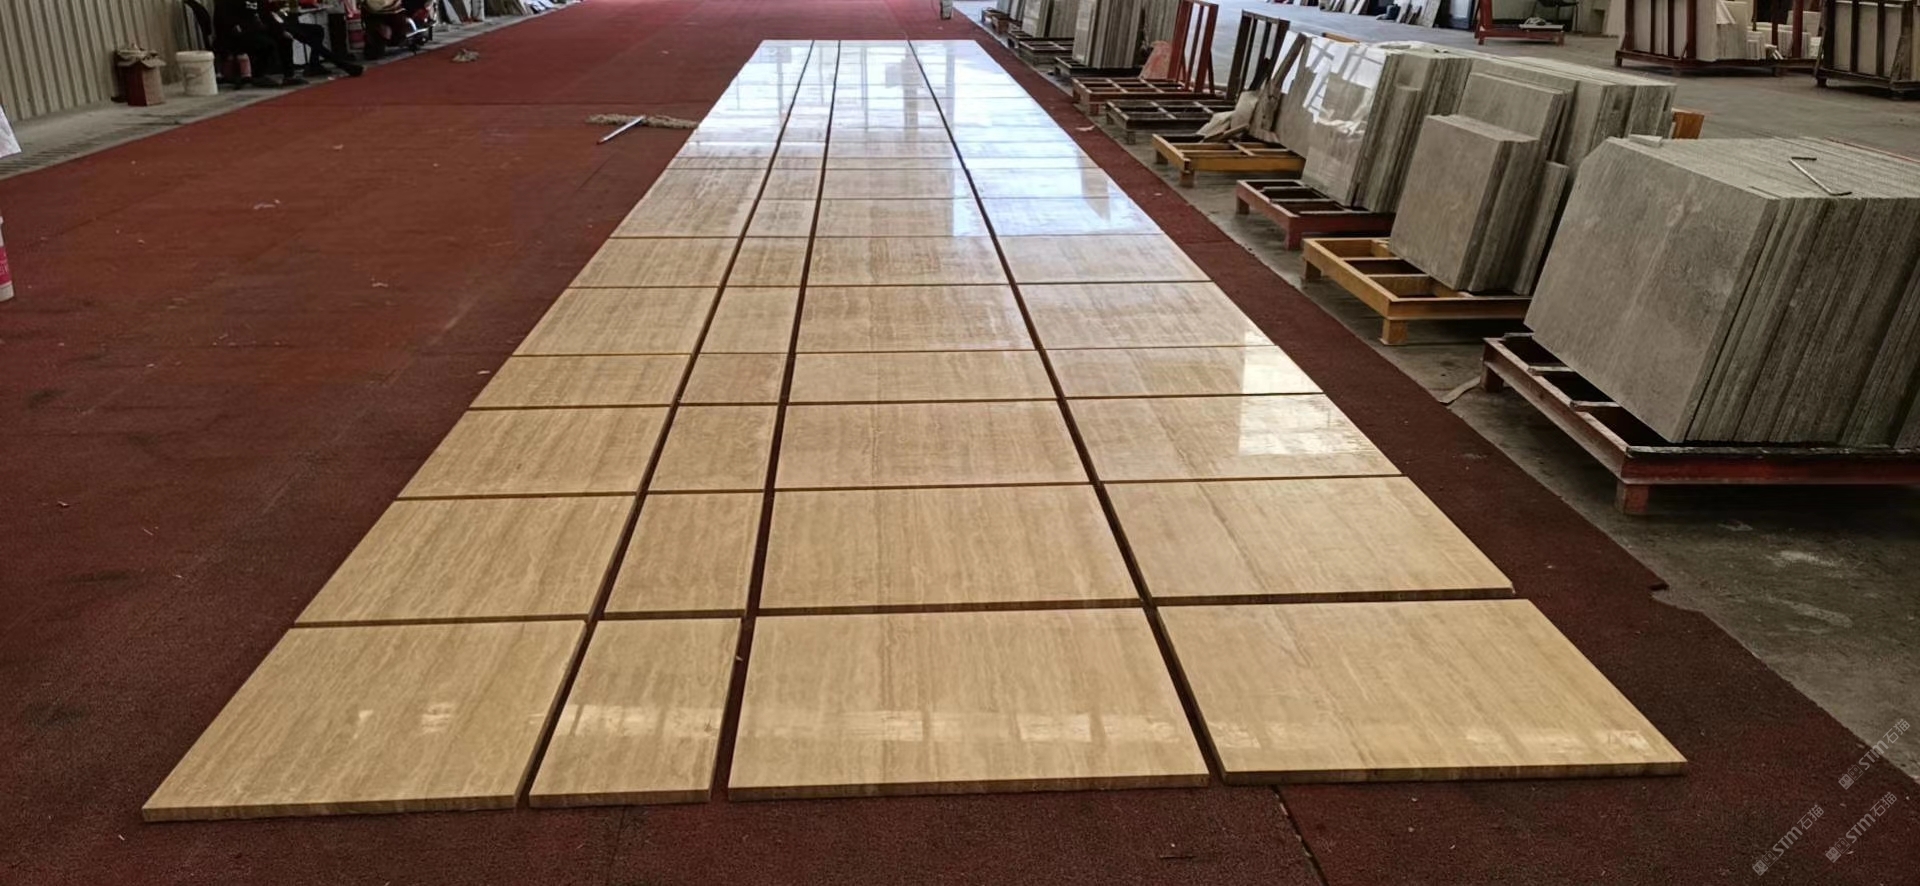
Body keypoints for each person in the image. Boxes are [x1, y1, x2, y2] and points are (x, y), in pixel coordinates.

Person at [262, 3, 365, 79]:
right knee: (310, 38)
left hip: (281, 21)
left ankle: (315, 63)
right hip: (274, 25)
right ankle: (340, 64)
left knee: (317, 30)